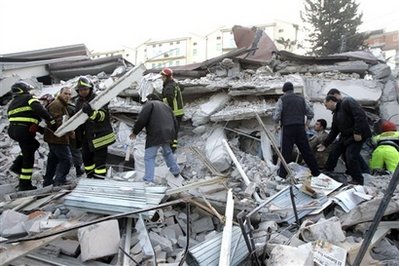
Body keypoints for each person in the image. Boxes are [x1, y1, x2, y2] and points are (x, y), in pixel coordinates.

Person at [7, 81, 57, 191]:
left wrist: (41, 130)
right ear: (24, 89)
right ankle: (25, 184)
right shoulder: (29, 97)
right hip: (23, 130)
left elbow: (25, 118)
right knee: (28, 157)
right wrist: (51, 121)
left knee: (32, 145)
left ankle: (17, 166)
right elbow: (40, 110)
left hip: (14, 131)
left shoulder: (12, 103)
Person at [318, 95, 372, 185]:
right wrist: (325, 144)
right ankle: (327, 171)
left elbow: (360, 116)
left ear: (331, 101)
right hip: (346, 136)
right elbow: (334, 131)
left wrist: (357, 132)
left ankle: (358, 179)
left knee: (350, 156)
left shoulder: (347, 102)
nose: (326, 108)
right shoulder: (335, 115)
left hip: (358, 135)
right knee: (334, 150)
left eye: (326, 105)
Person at [272, 81, 320, 179]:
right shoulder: (302, 99)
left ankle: (282, 175)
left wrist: (275, 125)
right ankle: (316, 172)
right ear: (293, 90)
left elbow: (276, 116)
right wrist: (306, 125)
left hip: (287, 128)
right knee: (306, 151)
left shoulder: (282, 99)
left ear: (284, 91)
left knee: (286, 152)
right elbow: (310, 113)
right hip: (300, 128)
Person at [130, 93, 180, 183]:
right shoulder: (166, 106)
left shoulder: (150, 104)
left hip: (155, 133)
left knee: (149, 157)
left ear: (149, 99)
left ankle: (148, 179)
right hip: (168, 132)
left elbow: (142, 119)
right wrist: (173, 135)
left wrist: (135, 132)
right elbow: (175, 122)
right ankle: (175, 171)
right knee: (167, 152)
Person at [75, 76, 116, 178]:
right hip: (87, 137)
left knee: (99, 163)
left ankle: (99, 181)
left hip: (99, 137)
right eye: (80, 90)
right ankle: (90, 178)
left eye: (85, 89)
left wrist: (90, 112)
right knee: (87, 160)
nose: (83, 92)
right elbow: (78, 121)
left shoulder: (99, 99)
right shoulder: (78, 102)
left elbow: (102, 116)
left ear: (90, 89)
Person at [43, 87, 73, 186]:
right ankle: (60, 181)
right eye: (65, 93)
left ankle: (47, 182)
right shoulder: (57, 104)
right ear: (60, 93)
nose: (68, 96)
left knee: (53, 160)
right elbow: (57, 122)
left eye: (69, 94)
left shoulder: (61, 104)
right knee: (66, 160)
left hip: (54, 138)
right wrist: (69, 131)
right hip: (57, 138)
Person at [160, 67, 184, 151]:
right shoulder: (174, 83)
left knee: (171, 130)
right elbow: (182, 87)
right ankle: (172, 147)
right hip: (178, 111)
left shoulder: (169, 86)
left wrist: (160, 101)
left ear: (166, 77)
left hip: (174, 112)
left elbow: (169, 99)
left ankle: (171, 148)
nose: (161, 78)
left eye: (162, 76)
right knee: (174, 130)